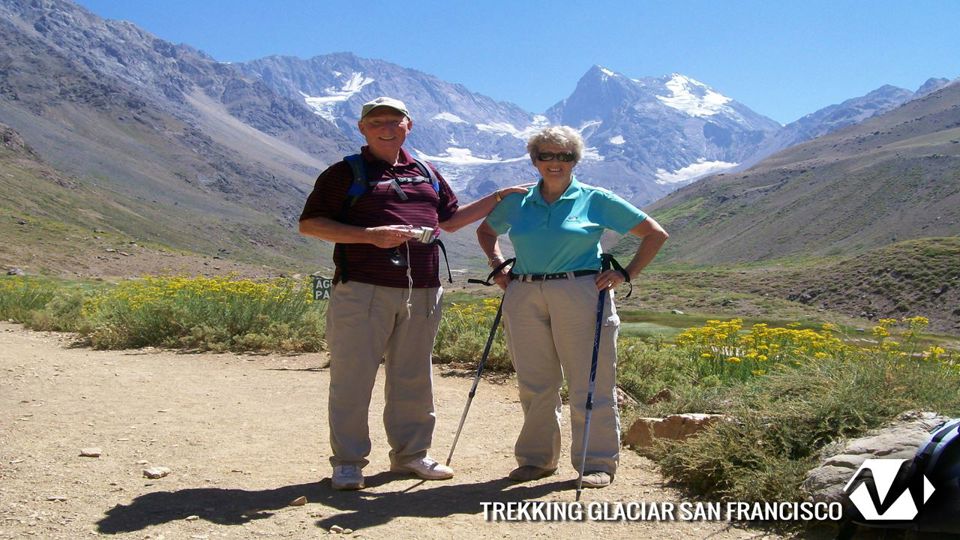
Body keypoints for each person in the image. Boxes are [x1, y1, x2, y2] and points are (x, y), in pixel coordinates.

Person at [299, 96, 527, 490]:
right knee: (353, 378)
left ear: (409, 125)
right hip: (362, 289)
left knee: (414, 376)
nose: (386, 128)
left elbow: (450, 221)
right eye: (376, 122)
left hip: (423, 290)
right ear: (362, 129)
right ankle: (349, 462)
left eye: (394, 120)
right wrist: (370, 237)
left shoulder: (426, 172)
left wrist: (497, 198)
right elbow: (310, 224)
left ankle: (411, 455)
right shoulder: (343, 173)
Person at [476, 125, 668, 489]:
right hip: (525, 292)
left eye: (564, 156)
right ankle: (536, 460)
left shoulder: (596, 198)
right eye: (546, 155)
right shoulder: (516, 201)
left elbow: (654, 234)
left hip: (581, 290)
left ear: (574, 160)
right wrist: (498, 266)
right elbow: (485, 232)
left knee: (591, 379)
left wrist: (624, 274)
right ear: (534, 159)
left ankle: (595, 462)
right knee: (535, 381)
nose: (555, 162)